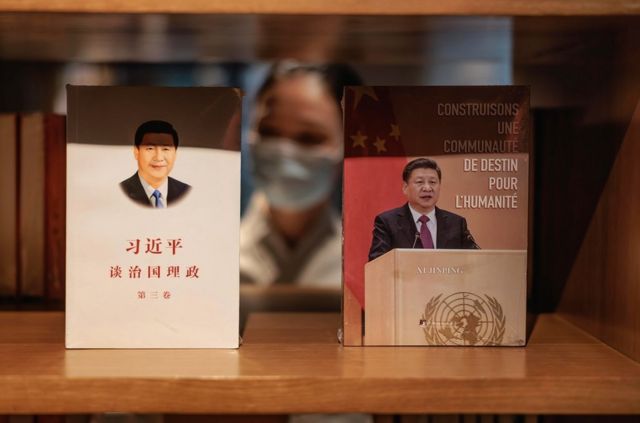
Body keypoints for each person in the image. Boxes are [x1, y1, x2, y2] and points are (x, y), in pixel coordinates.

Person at [240, 63, 360, 287]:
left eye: (308, 137)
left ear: (347, 145)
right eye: (269, 131)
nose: (284, 150)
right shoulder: (215, 254)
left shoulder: (363, 265)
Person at [368, 157, 478, 261]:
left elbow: (476, 261)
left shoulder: (456, 223)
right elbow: (377, 263)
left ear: (440, 186)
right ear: (405, 188)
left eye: (432, 182)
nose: (427, 188)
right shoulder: (387, 223)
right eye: (420, 182)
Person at [120, 120, 191, 208]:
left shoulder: (185, 191)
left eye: (166, 149)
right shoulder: (121, 191)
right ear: (136, 152)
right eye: (150, 148)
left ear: (175, 154)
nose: (158, 158)